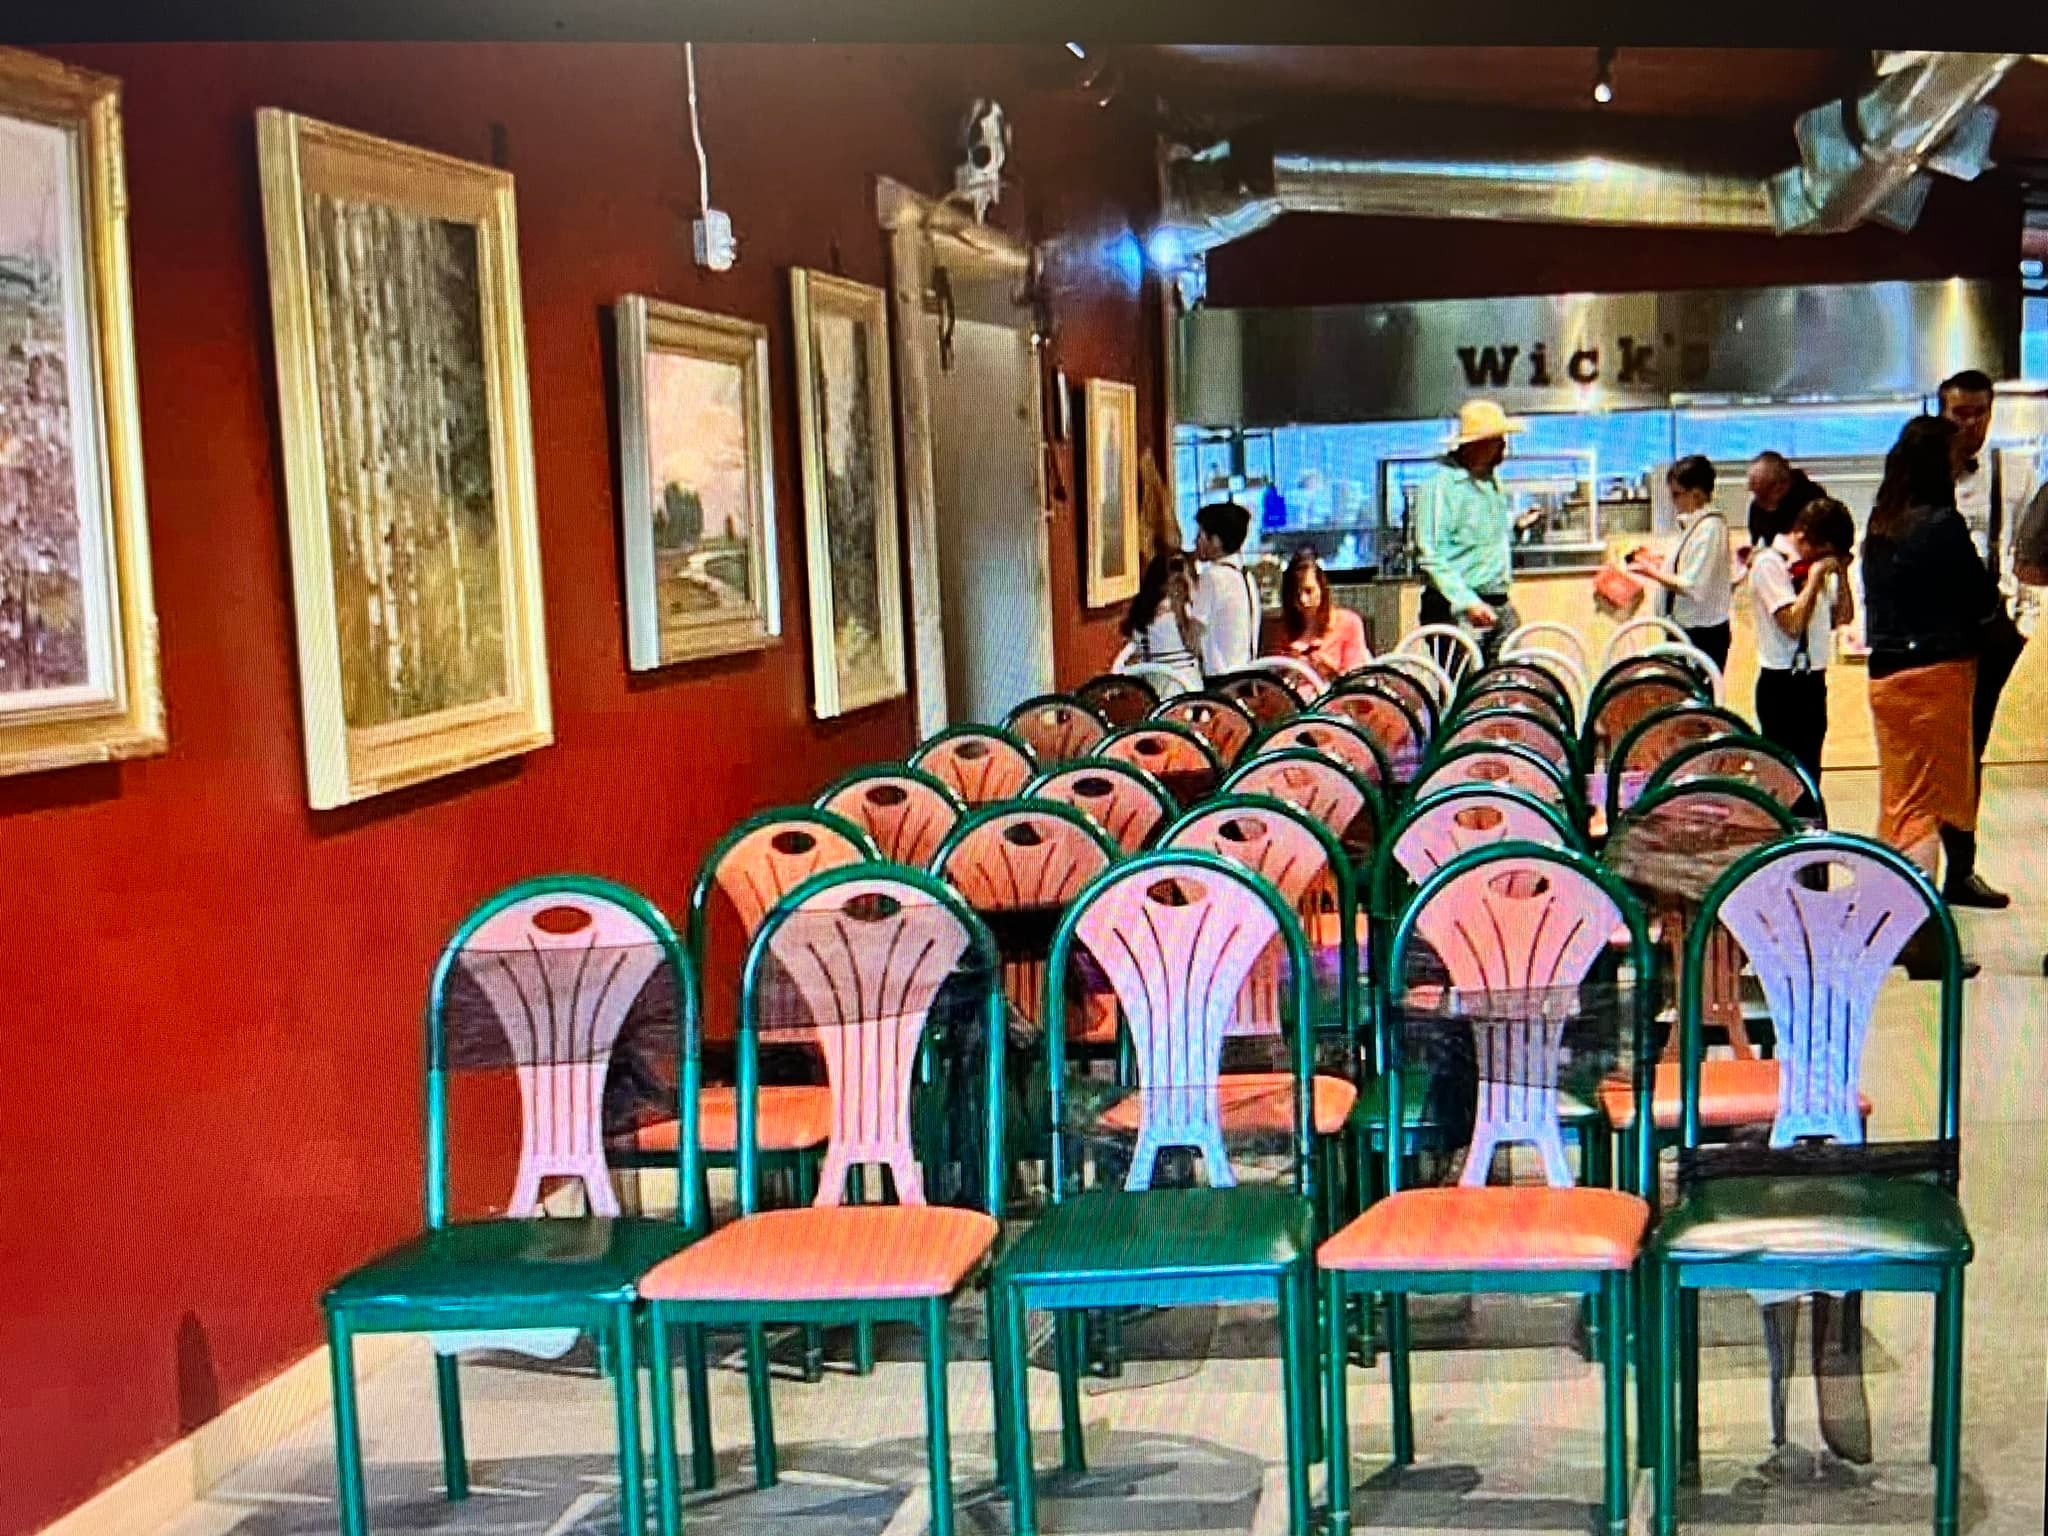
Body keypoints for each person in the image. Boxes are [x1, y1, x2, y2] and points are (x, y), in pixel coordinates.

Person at [1862, 414, 2001, 979]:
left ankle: (1887, 923)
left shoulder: (1881, 523)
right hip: (1936, 674)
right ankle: (1921, 938)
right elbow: (1978, 595)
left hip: (1885, 675)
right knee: (1927, 808)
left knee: (1898, 804)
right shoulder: (1941, 525)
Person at [1937, 369, 2020, 908]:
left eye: (1980, 413)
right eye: (1959, 414)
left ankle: (1961, 867)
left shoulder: (2012, 470)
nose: (1970, 424)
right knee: (1936, 756)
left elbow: (2019, 550)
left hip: (1987, 633)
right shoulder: (1919, 474)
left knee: (1971, 752)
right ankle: (1928, 866)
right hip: (1934, 637)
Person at [1748, 498, 1856, 799]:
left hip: (1813, 682)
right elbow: (1792, 624)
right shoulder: (1770, 563)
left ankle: (1811, 826)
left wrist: (1842, 576)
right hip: (1781, 684)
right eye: (1823, 553)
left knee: (1810, 777)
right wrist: (1815, 577)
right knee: (1783, 780)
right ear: (1804, 537)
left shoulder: (1815, 569)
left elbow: (1844, 618)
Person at [1414, 398, 1523, 664]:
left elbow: (1489, 540)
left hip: (1498, 600)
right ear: (1477, 444)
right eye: (1497, 440)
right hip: (1456, 606)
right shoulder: (1440, 487)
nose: (1504, 447)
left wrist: (1517, 529)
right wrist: (1467, 601)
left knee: (1506, 679)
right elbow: (1430, 553)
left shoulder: (1491, 482)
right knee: (1464, 681)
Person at [1629, 455, 1733, 668]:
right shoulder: (1696, 525)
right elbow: (1686, 565)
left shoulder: (1711, 528)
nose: (1673, 502)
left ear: (1696, 494)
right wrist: (1659, 563)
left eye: (1677, 495)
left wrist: (1651, 572)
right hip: (1683, 626)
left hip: (1701, 632)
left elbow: (1691, 585)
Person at [1188, 499, 1260, 678]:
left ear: (1216, 541)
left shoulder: (1213, 577)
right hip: (1245, 675)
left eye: (1200, 535)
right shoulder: (1246, 576)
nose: (1195, 541)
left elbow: (1193, 636)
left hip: (1219, 679)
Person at [1277, 550, 1369, 680]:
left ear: (1322, 588)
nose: (1303, 600)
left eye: (1309, 591)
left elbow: (1356, 679)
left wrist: (1329, 671)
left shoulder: (1348, 623)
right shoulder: (1284, 632)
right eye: (1296, 595)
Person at [1120, 551, 1204, 694]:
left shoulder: (1141, 615)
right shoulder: (1187, 612)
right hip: (1192, 693)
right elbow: (1198, 649)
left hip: (1158, 694)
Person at [1745, 451, 1827, 549]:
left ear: (1779, 487)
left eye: (1762, 495)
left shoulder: (1814, 503)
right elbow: (1756, 543)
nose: (1757, 500)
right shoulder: (1757, 506)